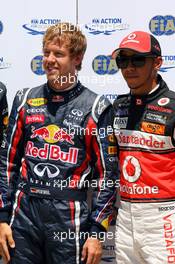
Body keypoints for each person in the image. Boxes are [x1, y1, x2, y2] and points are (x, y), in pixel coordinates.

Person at [0, 22, 119, 264]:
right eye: (46, 53)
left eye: (58, 54)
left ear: (77, 59)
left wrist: (97, 233)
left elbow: (107, 175)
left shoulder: (96, 107)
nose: (50, 60)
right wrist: (2, 217)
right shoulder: (24, 99)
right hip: (23, 214)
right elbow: (7, 162)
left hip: (69, 217)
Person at [112, 31, 175, 263]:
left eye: (138, 59)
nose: (129, 67)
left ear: (157, 62)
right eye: (123, 60)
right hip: (125, 218)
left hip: (163, 217)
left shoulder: (173, 108)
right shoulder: (117, 107)